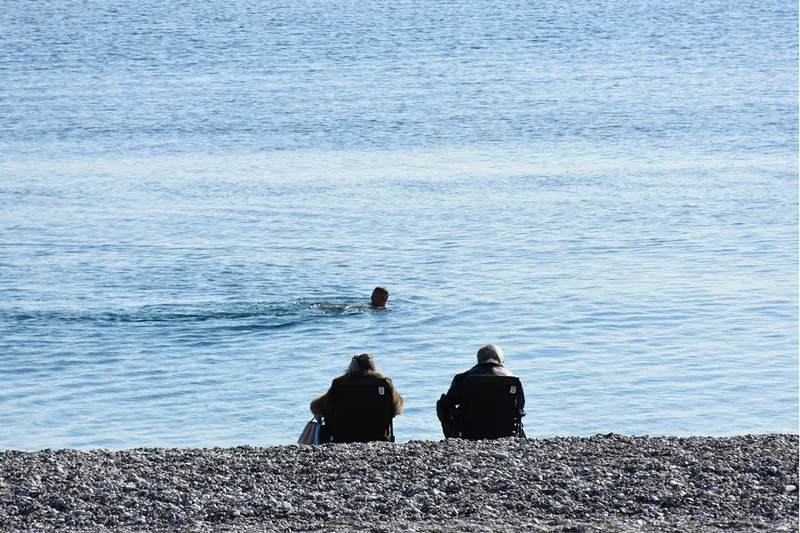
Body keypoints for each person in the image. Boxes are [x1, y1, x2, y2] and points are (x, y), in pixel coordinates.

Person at [436, 344, 526, 438]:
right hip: (505, 432)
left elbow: (447, 403)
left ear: (479, 360)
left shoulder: (463, 378)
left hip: (469, 431)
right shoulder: (513, 379)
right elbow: (520, 406)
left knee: (442, 403)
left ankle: (452, 438)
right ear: (498, 358)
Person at [310, 353, 403, 440]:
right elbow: (398, 408)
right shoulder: (384, 383)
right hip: (377, 435)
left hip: (342, 436)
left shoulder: (339, 384)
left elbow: (315, 407)